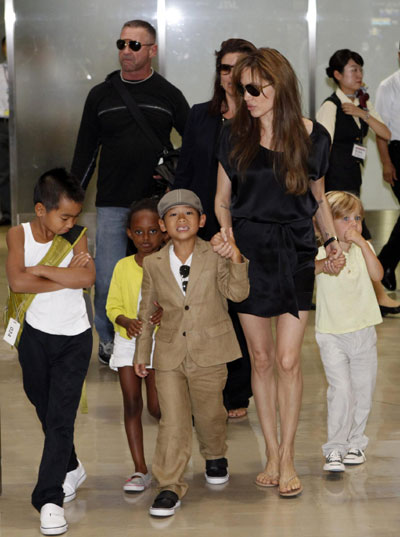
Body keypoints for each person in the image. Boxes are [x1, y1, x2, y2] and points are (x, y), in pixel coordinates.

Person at [215, 48, 339, 497]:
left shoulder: (313, 137)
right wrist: (226, 236)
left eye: (254, 88)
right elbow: (222, 200)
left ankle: (287, 456)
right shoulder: (233, 136)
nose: (245, 97)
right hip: (249, 255)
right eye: (241, 88)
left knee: (289, 360)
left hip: (297, 253)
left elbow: (319, 198)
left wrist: (331, 241)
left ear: (278, 86)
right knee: (261, 359)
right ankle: (270, 451)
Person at [71, 19, 190, 365]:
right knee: (107, 278)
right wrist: (72, 199)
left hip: (154, 205)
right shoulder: (100, 95)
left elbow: (193, 144)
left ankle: (159, 339)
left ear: (152, 50)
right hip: (111, 202)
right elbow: (85, 150)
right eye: (122, 44)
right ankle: (108, 341)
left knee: (157, 276)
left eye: (135, 45)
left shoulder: (168, 95)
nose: (126, 51)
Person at [134, 189, 249, 517]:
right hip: (169, 352)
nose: (180, 219)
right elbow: (146, 309)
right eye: (172, 215)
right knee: (173, 421)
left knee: (211, 413)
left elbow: (238, 293)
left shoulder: (215, 254)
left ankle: (215, 453)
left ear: (201, 220)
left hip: (211, 350)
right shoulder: (154, 263)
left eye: (188, 213)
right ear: (162, 225)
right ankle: (168, 485)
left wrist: (235, 256)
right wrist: (142, 351)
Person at [5, 168, 95, 535]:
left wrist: (41, 270)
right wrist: (61, 276)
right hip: (34, 337)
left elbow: (86, 279)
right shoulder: (17, 235)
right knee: (41, 403)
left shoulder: (77, 236)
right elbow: (16, 281)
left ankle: (49, 498)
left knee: (60, 418)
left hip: (75, 338)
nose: (72, 222)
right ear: (41, 210)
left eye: (75, 216)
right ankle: (71, 464)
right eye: (65, 216)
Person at [174, 38, 256, 419]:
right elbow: (186, 171)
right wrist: (182, 222)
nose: (230, 75)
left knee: (242, 310)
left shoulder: (261, 115)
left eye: (239, 68)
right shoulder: (199, 115)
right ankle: (204, 391)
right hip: (204, 227)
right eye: (224, 68)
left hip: (249, 227)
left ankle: (238, 392)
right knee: (205, 312)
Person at [316, 49, 399, 316]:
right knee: (354, 235)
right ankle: (380, 296)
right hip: (334, 183)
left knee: (350, 238)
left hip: (352, 181)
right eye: (352, 69)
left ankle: (367, 295)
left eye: (360, 69)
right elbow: (321, 147)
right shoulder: (330, 106)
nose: (359, 74)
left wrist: (362, 114)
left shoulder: (362, 104)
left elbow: (385, 132)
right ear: (337, 75)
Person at [315, 191, 382, 472]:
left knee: (363, 390)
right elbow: (307, 272)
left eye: (357, 218)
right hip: (332, 333)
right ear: (327, 223)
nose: (353, 224)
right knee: (340, 390)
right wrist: (328, 263)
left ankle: (356, 442)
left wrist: (363, 244)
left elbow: (378, 275)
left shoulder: (362, 249)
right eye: (345, 219)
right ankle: (335, 447)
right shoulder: (320, 252)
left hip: (364, 330)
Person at [106, 198, 162, 492]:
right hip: (127, 343)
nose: (146, 239)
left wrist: (165, 312)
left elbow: (181, 301)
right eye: (138, 233)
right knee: (132, 404)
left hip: (158, 345)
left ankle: (168, 459)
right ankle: (140, 469)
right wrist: (126, 321)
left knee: (156, 407)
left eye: (152, 231)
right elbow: (111, 305)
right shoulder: (123, 267)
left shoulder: (169, 265)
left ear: (163, 231)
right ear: (129, 233)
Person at [375, 44, 400, 293]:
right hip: (398, 151)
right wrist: (386, 162)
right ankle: (385, 263)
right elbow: (381, 130)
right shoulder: (388, 86)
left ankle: (386, 264)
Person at [0, 36, 10, 225]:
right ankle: (8, 213)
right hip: (2, 122)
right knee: (3, 171)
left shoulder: (28, 70)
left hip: (25, 123)